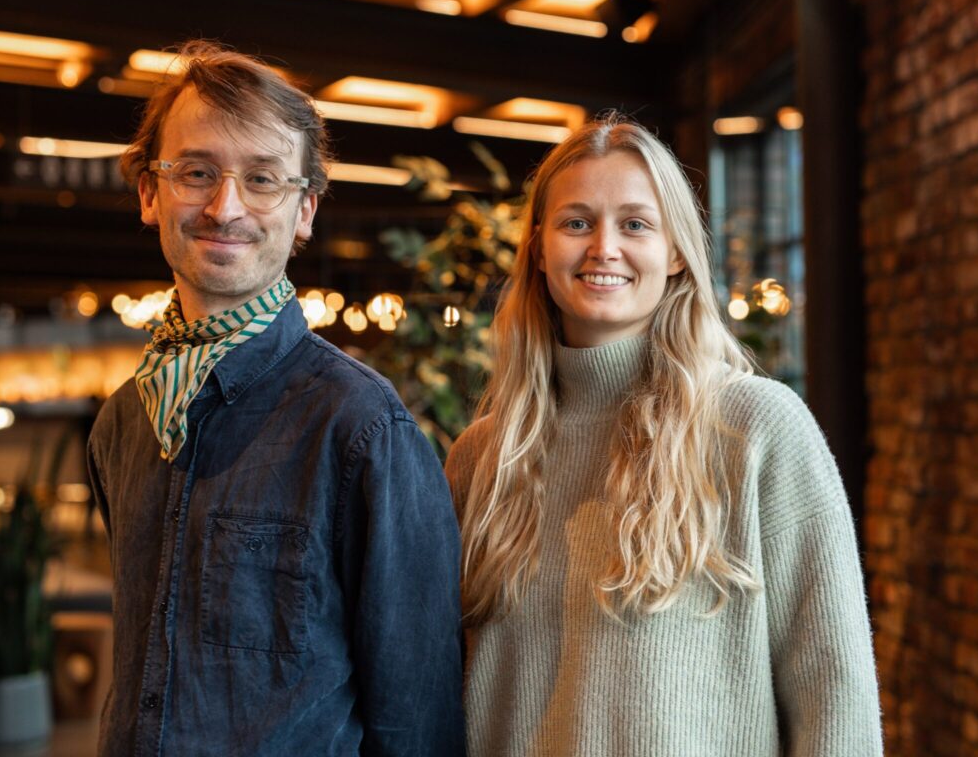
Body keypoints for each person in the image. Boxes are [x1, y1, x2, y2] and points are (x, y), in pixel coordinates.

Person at [445, 113, 882, 756]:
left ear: (677, 250)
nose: (604, 248)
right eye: (576, 222)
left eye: (635, 224)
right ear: (539, 248)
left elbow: (835, 697)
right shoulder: (482, 458)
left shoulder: (756, 429)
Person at [87, 40, 464, 756]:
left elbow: (418, 717)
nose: (225, 206)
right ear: (149, 193)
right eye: (196, 172)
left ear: (304, 211)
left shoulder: (361, 426)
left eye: (263, 179)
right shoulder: (125, 421)